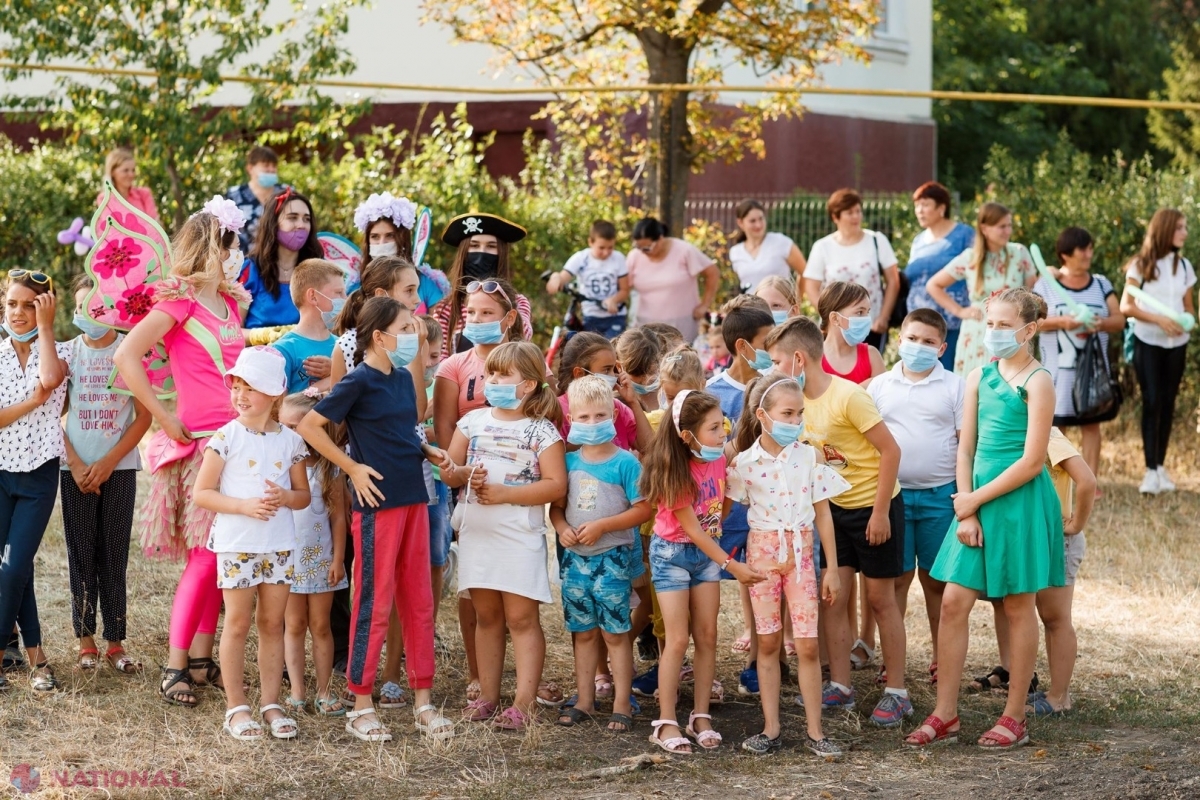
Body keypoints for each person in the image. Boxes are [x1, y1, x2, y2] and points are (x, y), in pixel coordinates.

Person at [905, 288, 1065, 750]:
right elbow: (966, 448)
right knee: (954, 601)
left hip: (1018, 505)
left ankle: (1015, 714)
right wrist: (967, 506)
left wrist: (974, 501)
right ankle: (945, 714)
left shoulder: (1038, 382)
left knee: (1018, 605)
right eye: (988, 324)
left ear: (1029, 329)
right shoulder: (977, 376)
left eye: (1002, 325)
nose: (992, 333)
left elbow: (1033, 461)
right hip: (973, 504)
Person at [299, 296, 454, 742]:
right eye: (406, 328)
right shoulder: (358, 381)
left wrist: (425, 448)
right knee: (375, 600)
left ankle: (423, 700)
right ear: (380, 336)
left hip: (414, 499)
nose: (415, 336)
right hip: (376, 506)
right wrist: (351, 468)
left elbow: (404, 430)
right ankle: (361, 703)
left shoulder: (405, 379)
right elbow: (311, 425)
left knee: (420, 601)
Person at [114, 198, 249, 708]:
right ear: (211, 247)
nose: (236, 254)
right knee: (203, 556)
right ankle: (175, 667)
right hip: (200, 447)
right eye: (231, 244)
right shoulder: (179, 303)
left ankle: (200, 657)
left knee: (224, 556)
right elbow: (127, 355)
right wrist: (164, 418)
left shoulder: (233, 305)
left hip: (240, 442)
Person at [765, 316, 910, 728]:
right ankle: (840, 686)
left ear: (797, 359)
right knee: (835, 598)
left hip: (874, 508)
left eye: (776, 361)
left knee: (881, 600)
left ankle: (897, 691)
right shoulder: (793, 406)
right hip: (831, 513)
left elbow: (891, 451)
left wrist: (880, 512)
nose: (772, 370)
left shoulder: (849, 397)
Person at [441, 341, 567, 732]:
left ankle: (523, 703)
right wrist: (464, 475)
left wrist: (507, 494)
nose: (491, 380)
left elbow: (555, 485)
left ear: (528, 384)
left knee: (521, 618)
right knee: (487, 616)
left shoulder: (541, 430)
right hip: (478, 533)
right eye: (490, 374)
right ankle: (488, 698)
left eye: (501, 375)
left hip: (518, 537)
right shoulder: (472, 422)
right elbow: (450, 471)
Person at [727, 373, 849, 757]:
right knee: (767, 642)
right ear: (763, 415)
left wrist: (831, 567)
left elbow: (823, 514)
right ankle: (771, 727)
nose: (794, 421)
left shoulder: (809, 455)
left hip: (802, 556)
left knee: (809, 645)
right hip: (762, 555)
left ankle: (816, 732)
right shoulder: (744, 464)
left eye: (799, 413)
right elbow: (726, 509)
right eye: (787, 413)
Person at [193, 346, 311, 741]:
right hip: (238, 544)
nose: (240, 395)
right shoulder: (225, 437)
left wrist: (285, 498)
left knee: (271, 624)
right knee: (239, 623)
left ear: (275, 392)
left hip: (278, 546)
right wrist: (242, 505)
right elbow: (203, 493)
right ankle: (236, 706)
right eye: (236, 386)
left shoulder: (291, 441)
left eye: (251, 387)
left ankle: (271, 703)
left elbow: (302, 497)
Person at [641, 389, 763, 754]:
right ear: (687, 436)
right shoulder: (672, 469)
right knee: (677, 639)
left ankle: (701, 715)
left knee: (707, 635)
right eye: (713, 428)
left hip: (707, 554)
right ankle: (665, 722)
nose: (721, 434)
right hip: (674, 555)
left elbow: (718, 512)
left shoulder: (719, 460)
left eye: (722, 425)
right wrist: (731, 564)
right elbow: (691, 528)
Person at [61, 276, 153, 676]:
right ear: (74, 311)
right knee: (80, 553)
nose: (90, 314)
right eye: (83, 307)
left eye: (97, 306)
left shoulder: (126, 353)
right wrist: (78, 464)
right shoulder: (66, 355)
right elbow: (52, 416)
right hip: (73, 471)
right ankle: (85, 639)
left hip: (120, 470)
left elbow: (144, 415)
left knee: (113, 554)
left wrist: (110, 462)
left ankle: (115, 641)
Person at [550, 376, 653, 732]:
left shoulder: (626, 463)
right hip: (575, 561)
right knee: (584, 632)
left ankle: (622, 703)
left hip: (613, 559)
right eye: (583, 418)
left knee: (615, 632)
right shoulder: (566, 461)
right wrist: (562, 527)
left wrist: (603, 526)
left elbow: (644, 509)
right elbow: (556, 507)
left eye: (599, 416)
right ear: (571, 421)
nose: (592, 424)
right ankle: (585, 699)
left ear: (613, 415)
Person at [868, 309, 964, 687]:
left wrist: (962, 495)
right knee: (896, 582)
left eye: (928, 342)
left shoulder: (955, 387)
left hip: (941, 497)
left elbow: (963, 444)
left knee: (937, 582)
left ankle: (943, 657)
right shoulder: (879, 387)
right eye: (912, 339)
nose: (919, 347)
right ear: (899, 340)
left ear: (941, 348)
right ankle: (893, 662)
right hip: (893, 498)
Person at [703, 295, 777, 695]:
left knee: (767, 585)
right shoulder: (713, 392)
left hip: (770, 512)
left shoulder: (780, 389)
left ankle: (764, 661)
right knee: (713, 586)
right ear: (744, 347)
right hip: (727, 511)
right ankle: (704, 669)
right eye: (769, 341)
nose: (775, 350)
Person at [0, 269, 68, 693]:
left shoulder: (59, 352)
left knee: (12, 569)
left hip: (40, 476)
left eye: (30, 304)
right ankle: (37, 658)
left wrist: (46, 327)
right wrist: (30, 403)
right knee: (11, 568)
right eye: (12, 304)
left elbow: (50, 380)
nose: (19, 312)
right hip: (0, 472)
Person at [279, 391, 349, 718]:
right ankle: (296, 691)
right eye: (283, 426)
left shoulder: (328, 469)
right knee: (293, 625)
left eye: (296, 426)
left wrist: (337, 560)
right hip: (288, 562)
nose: (289, 433)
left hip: (321, 562)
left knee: (321, 626)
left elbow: (338, 517)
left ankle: (324, 691)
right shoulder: (278, 469)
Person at [1033, 226, 1123, 482]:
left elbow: (1119, 320)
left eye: (1090, 248)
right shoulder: (1046, 285)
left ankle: (1090, 481)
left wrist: (1100, 323)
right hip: (1057, 373)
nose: (1087, 254)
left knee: (1091, 424)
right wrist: (1062, 322)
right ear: (1065, 254)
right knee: (1055, 427)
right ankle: (1054, 482)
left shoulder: (1102, 283)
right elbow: (1034, 321)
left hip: (1092, 372)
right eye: (1081, 249)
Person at [1119, 209, 1195, 495]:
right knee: (1151, 402)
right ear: (1164, 230)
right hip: (1147, 341)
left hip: (1177, 344)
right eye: (1179, 228)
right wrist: (1160, 320)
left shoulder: (1184, 266)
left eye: (1185, 227)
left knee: (1167, 402)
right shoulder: (1140, 265)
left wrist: (1186, 319)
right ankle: (1150, 471)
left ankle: (1161, 467)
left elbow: (1188, 306)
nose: (1184, 233)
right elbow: (1127, 305)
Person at [1026, 429, 1095, 717]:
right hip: (1040, 537)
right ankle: (1057, 689)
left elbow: (1087, 481)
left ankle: (1059, 697)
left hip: (1059, 540)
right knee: (1047, 617)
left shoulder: (1050, 437)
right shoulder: (1024, 433)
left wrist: (1076, 524)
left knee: (1056, 618)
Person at [925, 202, 1037, 375]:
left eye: (1009, 225)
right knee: (973, 387)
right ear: (984, 229)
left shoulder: (1020, 252)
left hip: (1012, 330)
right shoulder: (970, 257)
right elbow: (933, 285)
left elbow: (1033, 290)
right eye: (1002, 226)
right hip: (977, 331)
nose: (1008, 231)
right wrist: (960, 311)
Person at [802, 189, 900, 351]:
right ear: (835, 216)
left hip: (871, 324)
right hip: (837, 328)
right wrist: (828, 317)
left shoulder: (877, 240)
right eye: (849, 212)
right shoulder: (822, 247)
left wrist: (883, 317)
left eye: (858, 211)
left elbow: (893, 281)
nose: (856, 216)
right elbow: (811, 287)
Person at [437, 213, 534, 355]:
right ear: (464, 253)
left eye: (491, 246)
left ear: (501, 253)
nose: (482, 253)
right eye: (474, 246)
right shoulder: (446, 309)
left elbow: (522, 341)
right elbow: (440, 357)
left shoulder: (518, 303)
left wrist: (504, 303)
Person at [905, 181, 973, 370]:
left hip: (951, 323)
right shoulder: (918, 240)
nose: (919, 210)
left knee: (948, 376)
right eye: (917, 205)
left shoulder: (964, 235)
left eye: (925, 204)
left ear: (942, 208)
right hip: (918, 325)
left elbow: (977, 270)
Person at [240, 187, 324, 329]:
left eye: (307, 219)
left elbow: (331, 325)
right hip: (258, 350)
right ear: (273, 223)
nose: (301, 225)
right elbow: (233, 332)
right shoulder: (250, 270)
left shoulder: (320, 271)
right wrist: (261, 336)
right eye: (292, 217)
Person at [626, 217, 720, 343]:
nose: (643, 252)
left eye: (647, 248)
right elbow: (624, 287)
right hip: (646, 326)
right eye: (638, 247)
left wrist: (704, 304)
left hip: (681, 324)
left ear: (660, 238)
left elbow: (712, 272)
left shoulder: (684, 250)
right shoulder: (635, 256)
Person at [556, 331, 651, 453]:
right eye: (606, 370)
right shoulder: (557, 412)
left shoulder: (616, 407)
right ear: (580, 374)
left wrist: (633, 402)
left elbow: (649, 448)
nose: (614, 376)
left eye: (613, 369)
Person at [354, 192, 448, 314]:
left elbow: (441, 328)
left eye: (389, 236)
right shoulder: (355, 286)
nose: (382, 243)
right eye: (375, 237)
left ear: (402, 239)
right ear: (367, 241)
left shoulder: (426, 283)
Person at [270, 259, 345, 394]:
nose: (345, 299)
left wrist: (336, 369)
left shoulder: (343, 344)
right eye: (339, 293)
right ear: (313, 296)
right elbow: (279, 408)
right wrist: (335, 376)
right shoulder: (283, 350)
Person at [546, 220, 630, 339]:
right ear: (590, 242)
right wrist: (555, 277)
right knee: (593, 353)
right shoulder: (581, 258)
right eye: (601, 248)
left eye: (610, 247)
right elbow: (563, 277)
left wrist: (614, 300)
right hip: (591, 316)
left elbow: (625, 290)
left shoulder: (618, 259)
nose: (606, 252)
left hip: (615, 317)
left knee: (612, 349)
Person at [729, 199, 806, 292]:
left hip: (780, 305)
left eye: (761, 219)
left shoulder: (781, 242)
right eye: (752, 221)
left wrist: (797, 300)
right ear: (740, 223)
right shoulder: (735, 252)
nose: (758, 225)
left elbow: (804, 272)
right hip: (749, 305)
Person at [818, 282, 885, 385]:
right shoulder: (813, 358)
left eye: (867, 312)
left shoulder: (872, 356)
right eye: (859, 312)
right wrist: (859, 390)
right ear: (835, 318)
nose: (866, 319)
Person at [226, 145, 284, 253]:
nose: (271, 170)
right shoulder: (234, 195)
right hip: (243, 262)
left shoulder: (285, 193)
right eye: (266, 165)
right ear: (250, 168)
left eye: (274, 166)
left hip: (279, 260)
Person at [99, 147, 159, 220]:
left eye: (133, 170)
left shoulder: (144, 194)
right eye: (125, 170)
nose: (131, 175)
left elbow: (155, 224)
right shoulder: (105, 199)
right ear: (112, 172)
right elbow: (110, 228)